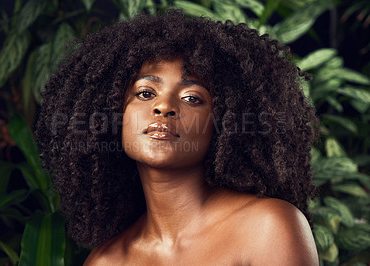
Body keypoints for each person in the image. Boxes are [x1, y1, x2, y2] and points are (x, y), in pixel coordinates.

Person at [36, 10, 319, 265]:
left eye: (192, 98)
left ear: (223, 124)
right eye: (145, 93)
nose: (164, 106)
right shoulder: (106, 262)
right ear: (114, 113)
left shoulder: (268, 228)